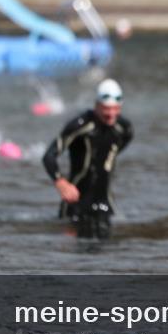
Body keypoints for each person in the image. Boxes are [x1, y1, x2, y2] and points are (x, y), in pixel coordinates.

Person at [42, 79, 133, 240]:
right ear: (96, 104)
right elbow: (49, 156)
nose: (111, 114)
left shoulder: (123, 128)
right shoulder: (80, 125)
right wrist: (61, 183)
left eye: (115, 109)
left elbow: (123, 143)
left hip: (105, 204)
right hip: (76, 205)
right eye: (106, 109)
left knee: (109, 252)